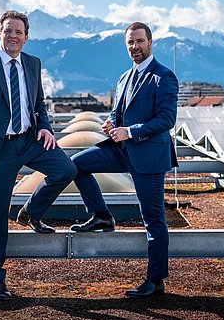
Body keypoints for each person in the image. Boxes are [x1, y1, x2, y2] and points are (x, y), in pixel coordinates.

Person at [0, 10, 76, 300]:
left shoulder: (33, 64)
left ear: (26, 37)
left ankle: (31, 213)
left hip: (29, 139)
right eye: (7, 31)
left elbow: (39, 103)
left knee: (66, 170)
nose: (13, 36)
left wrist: (46, 128)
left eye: (18, 32)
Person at [70, 21, 178, 298]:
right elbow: (119, 114)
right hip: (121, 149)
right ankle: (102, 216)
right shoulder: (123, 78)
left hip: (149, 156)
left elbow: (166, 120)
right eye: (130, 42)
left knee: (153, 219)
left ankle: (155, 281)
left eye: (139, 41)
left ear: (150, 42)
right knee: (76, 165)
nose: (135, 47)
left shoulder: (164, 76)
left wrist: (128, 131)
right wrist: (110, 124)